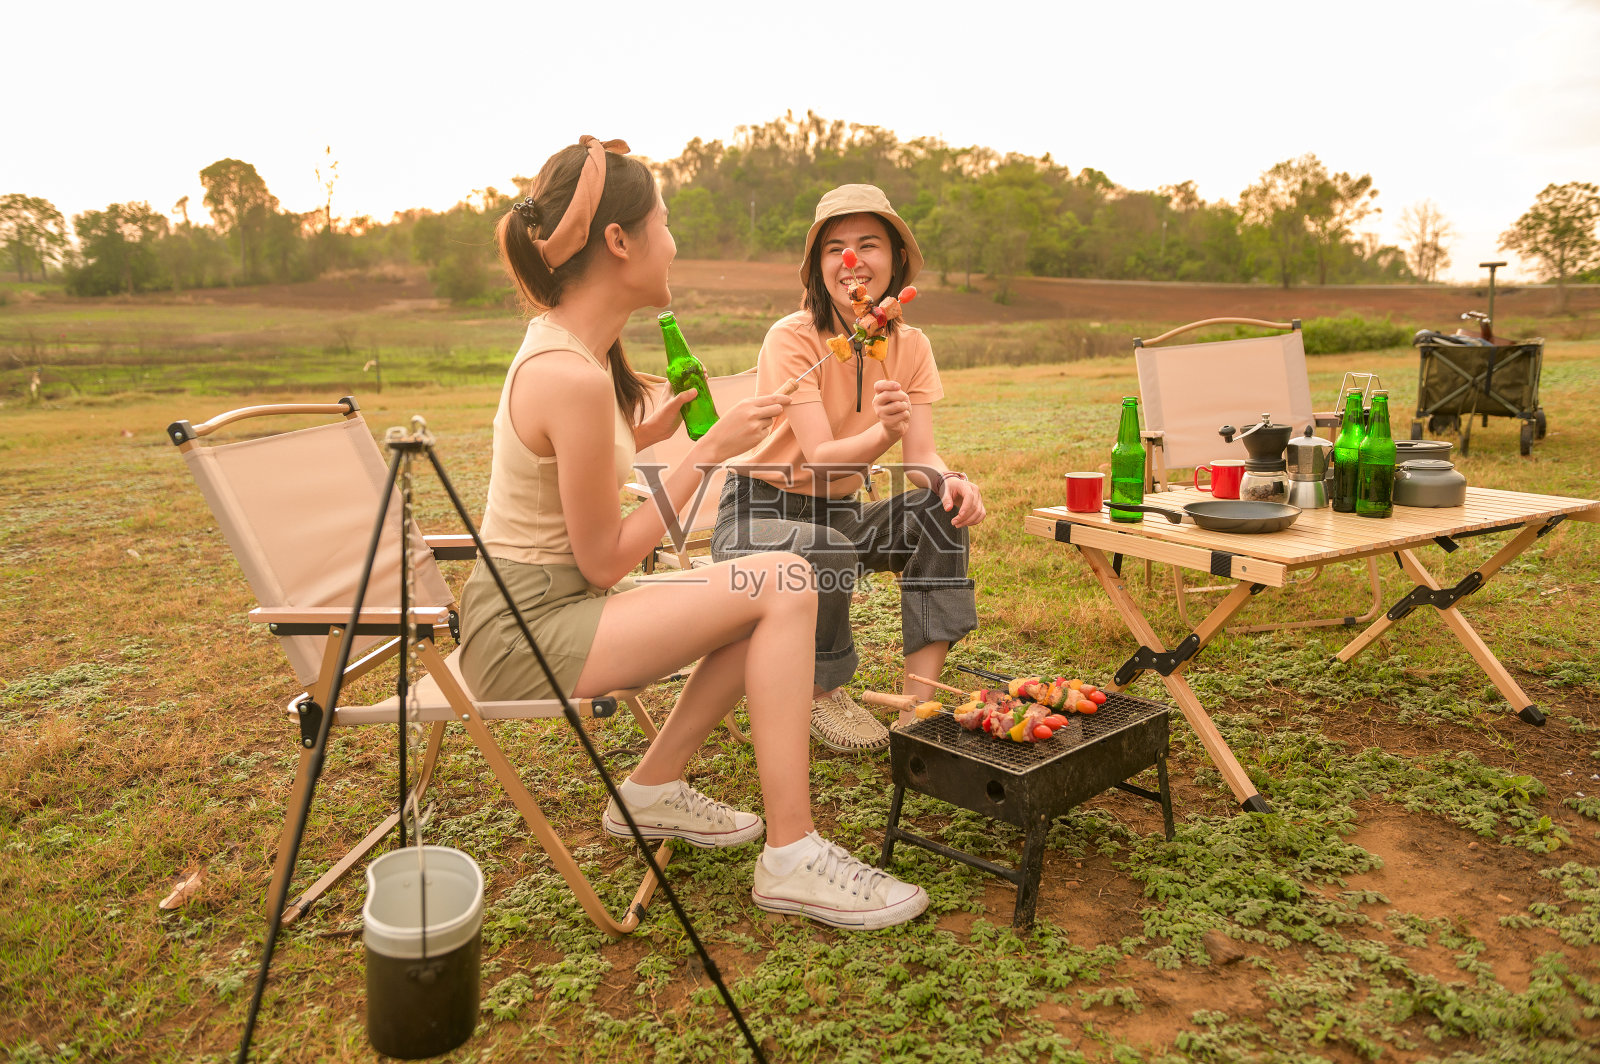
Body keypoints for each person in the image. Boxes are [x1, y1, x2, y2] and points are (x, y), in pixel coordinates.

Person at [455, 138, 926, 929]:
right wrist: (707, 448)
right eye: (664, 224)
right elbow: (603, 561)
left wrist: (647, 435)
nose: (672, 242)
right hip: (527, 632)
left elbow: (567, 474)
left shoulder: (576, 350)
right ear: (619, 242)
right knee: (782, 579)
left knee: (767, 585)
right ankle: (791, 855)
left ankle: (652, 788)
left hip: (551, 606)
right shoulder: (568, 374)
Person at [711, 184, 986, 752]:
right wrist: (883, 430)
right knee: (823, 547)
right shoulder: (792, 337)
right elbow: (821, 456)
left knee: (941, 513)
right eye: (835, 249)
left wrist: (949, 480)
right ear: (818, 267)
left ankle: (919, 702)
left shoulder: (912, 347)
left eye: (868, 245)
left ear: (896, 261)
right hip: (758, 515)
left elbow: (920, 458)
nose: (852, 262)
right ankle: (821, 690)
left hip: (840, 512)